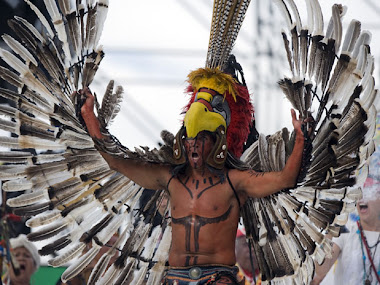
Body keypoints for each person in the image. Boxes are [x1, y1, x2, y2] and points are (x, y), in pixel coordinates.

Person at [79, 59, 306, 284]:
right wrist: (89, 114)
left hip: (218, 278)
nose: (193, 144)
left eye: (202, 139)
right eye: (190, 139)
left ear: (217, 143)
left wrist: (299, 140)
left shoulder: (235, 181)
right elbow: (116, 162)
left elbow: (285, 179)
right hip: (175, 278)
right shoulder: (169, 178)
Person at [311, 177, 380, 285]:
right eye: (359, 192)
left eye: (368, 191)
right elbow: (321, 270)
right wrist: (330, 229)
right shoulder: (345, 229)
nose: (362, 198)